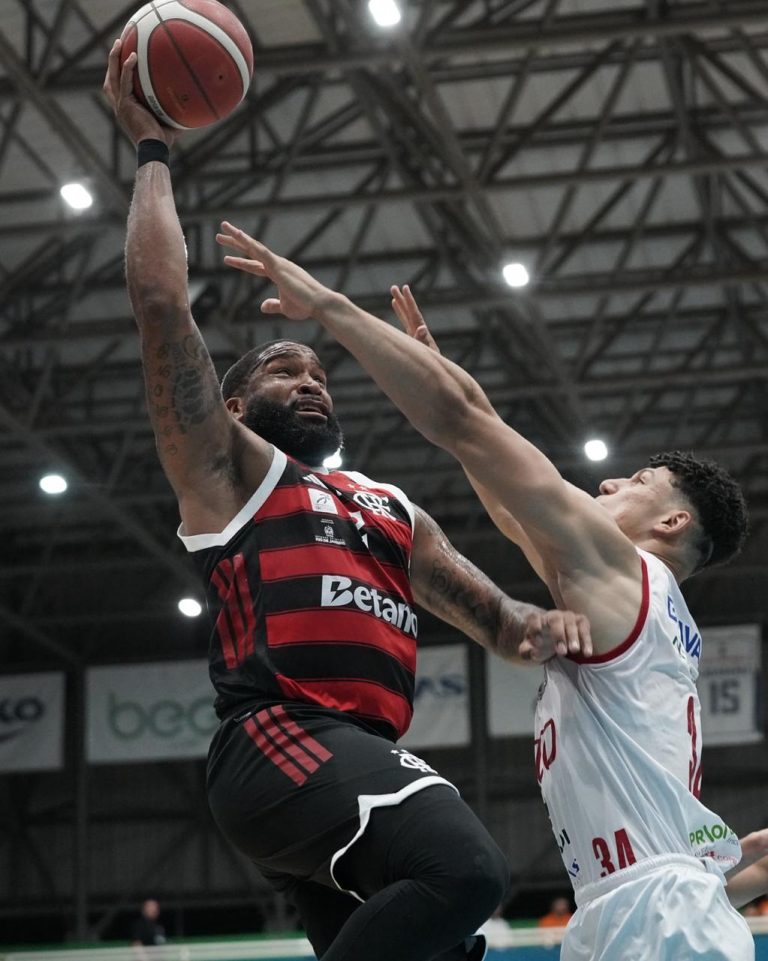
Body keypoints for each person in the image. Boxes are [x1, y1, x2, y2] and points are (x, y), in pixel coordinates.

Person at [103, 43, 593, 961]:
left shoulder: (391, 507)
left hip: (351, 759)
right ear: (234, 407)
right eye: (286, 369)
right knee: (469, 872)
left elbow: (500, 621)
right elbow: (162, 303)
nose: (311, 380)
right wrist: (151, 148)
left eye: (321, 373)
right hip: (281, 739)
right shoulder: (232, 472)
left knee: (439, 948)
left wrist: (555, 625)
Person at [213, 232, 760, 961]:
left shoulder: (622, 570)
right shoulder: (645, 611)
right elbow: (508, 506)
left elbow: (465, 423)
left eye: (636, 483)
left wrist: (327, 305)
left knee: (459, 875)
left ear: (671, 523)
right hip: (635, 902)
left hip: (658, 913)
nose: (608, 483)